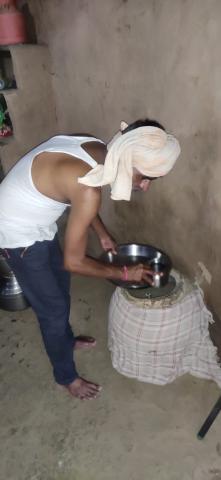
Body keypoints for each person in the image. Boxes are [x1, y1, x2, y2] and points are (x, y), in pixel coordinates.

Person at [0, 118, 180, 400]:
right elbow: (76, 258)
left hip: (36, 221)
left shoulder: (96, 147)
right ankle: (66, 377)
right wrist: (124, 273)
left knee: (60, 285)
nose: (144, 187)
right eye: (144, 178)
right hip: (16, 233)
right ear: (126, 162)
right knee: (53, 310)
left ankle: (65, 340)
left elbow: (80, 191)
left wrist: (103, 233)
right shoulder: (88, 190)